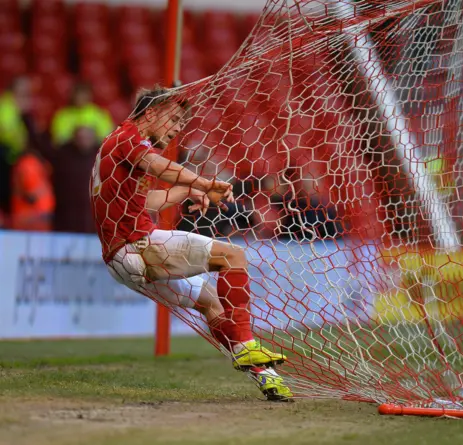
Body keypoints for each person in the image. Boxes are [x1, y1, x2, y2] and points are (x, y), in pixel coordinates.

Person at [90, 86, 292, 401]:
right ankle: (249, 347)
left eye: (181, 125)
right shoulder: (129, 137)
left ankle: (267, 379)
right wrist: (204, 182)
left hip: (123, 262)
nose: (175, 130)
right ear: (151, 113)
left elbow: (146, 202)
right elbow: (159, 168)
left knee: (211, 303)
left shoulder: (119, 147)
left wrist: (187, 192)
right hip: (139, 245)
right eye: (172, 120)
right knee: (233, 256)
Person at [51, 82, 114, 147]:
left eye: (84, 94)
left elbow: (107, 138)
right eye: (78, 94)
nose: (80, 97)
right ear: (72, 96)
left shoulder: (100, 114)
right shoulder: (62, 115)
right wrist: (77, 135)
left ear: (90, 95)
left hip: (94, 152)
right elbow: (58, 140)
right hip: (70, 151)